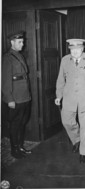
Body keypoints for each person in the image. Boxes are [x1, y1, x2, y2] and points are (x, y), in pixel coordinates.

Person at [55, 39, 85, 163]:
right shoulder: (65, 60)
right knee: (66, 121)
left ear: (82, 49)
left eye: (78, 49)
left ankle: (83, 152)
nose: (75, 52)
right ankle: (76, 139)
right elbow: (61, 79)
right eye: (72, 49)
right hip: (69, 98)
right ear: (69, 49)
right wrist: (58, 96)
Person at [2, 31, 32, 159]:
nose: (22, 44)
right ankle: (14, 150)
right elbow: (5, 81)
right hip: (15, 98)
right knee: (15, 124)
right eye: (20, 42)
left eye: (23, 41)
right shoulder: (7, 58)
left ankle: (20, 146)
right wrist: (9, 99)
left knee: (22, 122)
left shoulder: (20, 56)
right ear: (12, 42)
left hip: (25, 96)